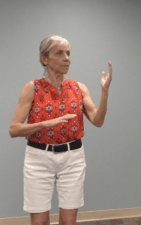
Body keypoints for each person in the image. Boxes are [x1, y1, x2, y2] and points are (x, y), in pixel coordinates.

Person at [9, 35, 112, 225]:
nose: (67, 58)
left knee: (69, 222)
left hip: (73, 157)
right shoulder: (32, 88)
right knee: (39, 222)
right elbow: (14, 129)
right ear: (44, 59)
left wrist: (105, 92)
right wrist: (44, 124)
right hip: (38, 159)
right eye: (60, 53)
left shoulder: (79, 88)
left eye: (69, 53)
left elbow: (98, 121)